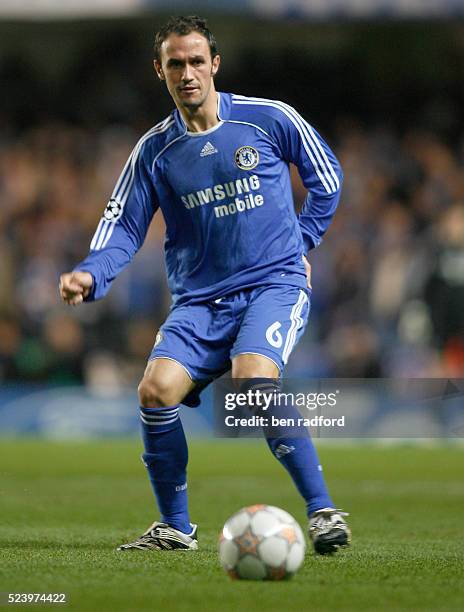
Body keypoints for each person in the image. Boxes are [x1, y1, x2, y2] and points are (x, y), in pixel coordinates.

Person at [59, 15, 351, 555]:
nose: (188, 73)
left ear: (215, 64)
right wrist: (91, 273)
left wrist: (301, 243)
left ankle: (323, 513)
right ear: (160, 71)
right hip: (200, 301)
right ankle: (175, 528)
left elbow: (326, 178)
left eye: (197, 61)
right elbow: (123, 226)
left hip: (273, 285)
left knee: (252, 381)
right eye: (176, 64)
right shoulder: (154, 153)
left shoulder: (269, 119)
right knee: (155, 391)